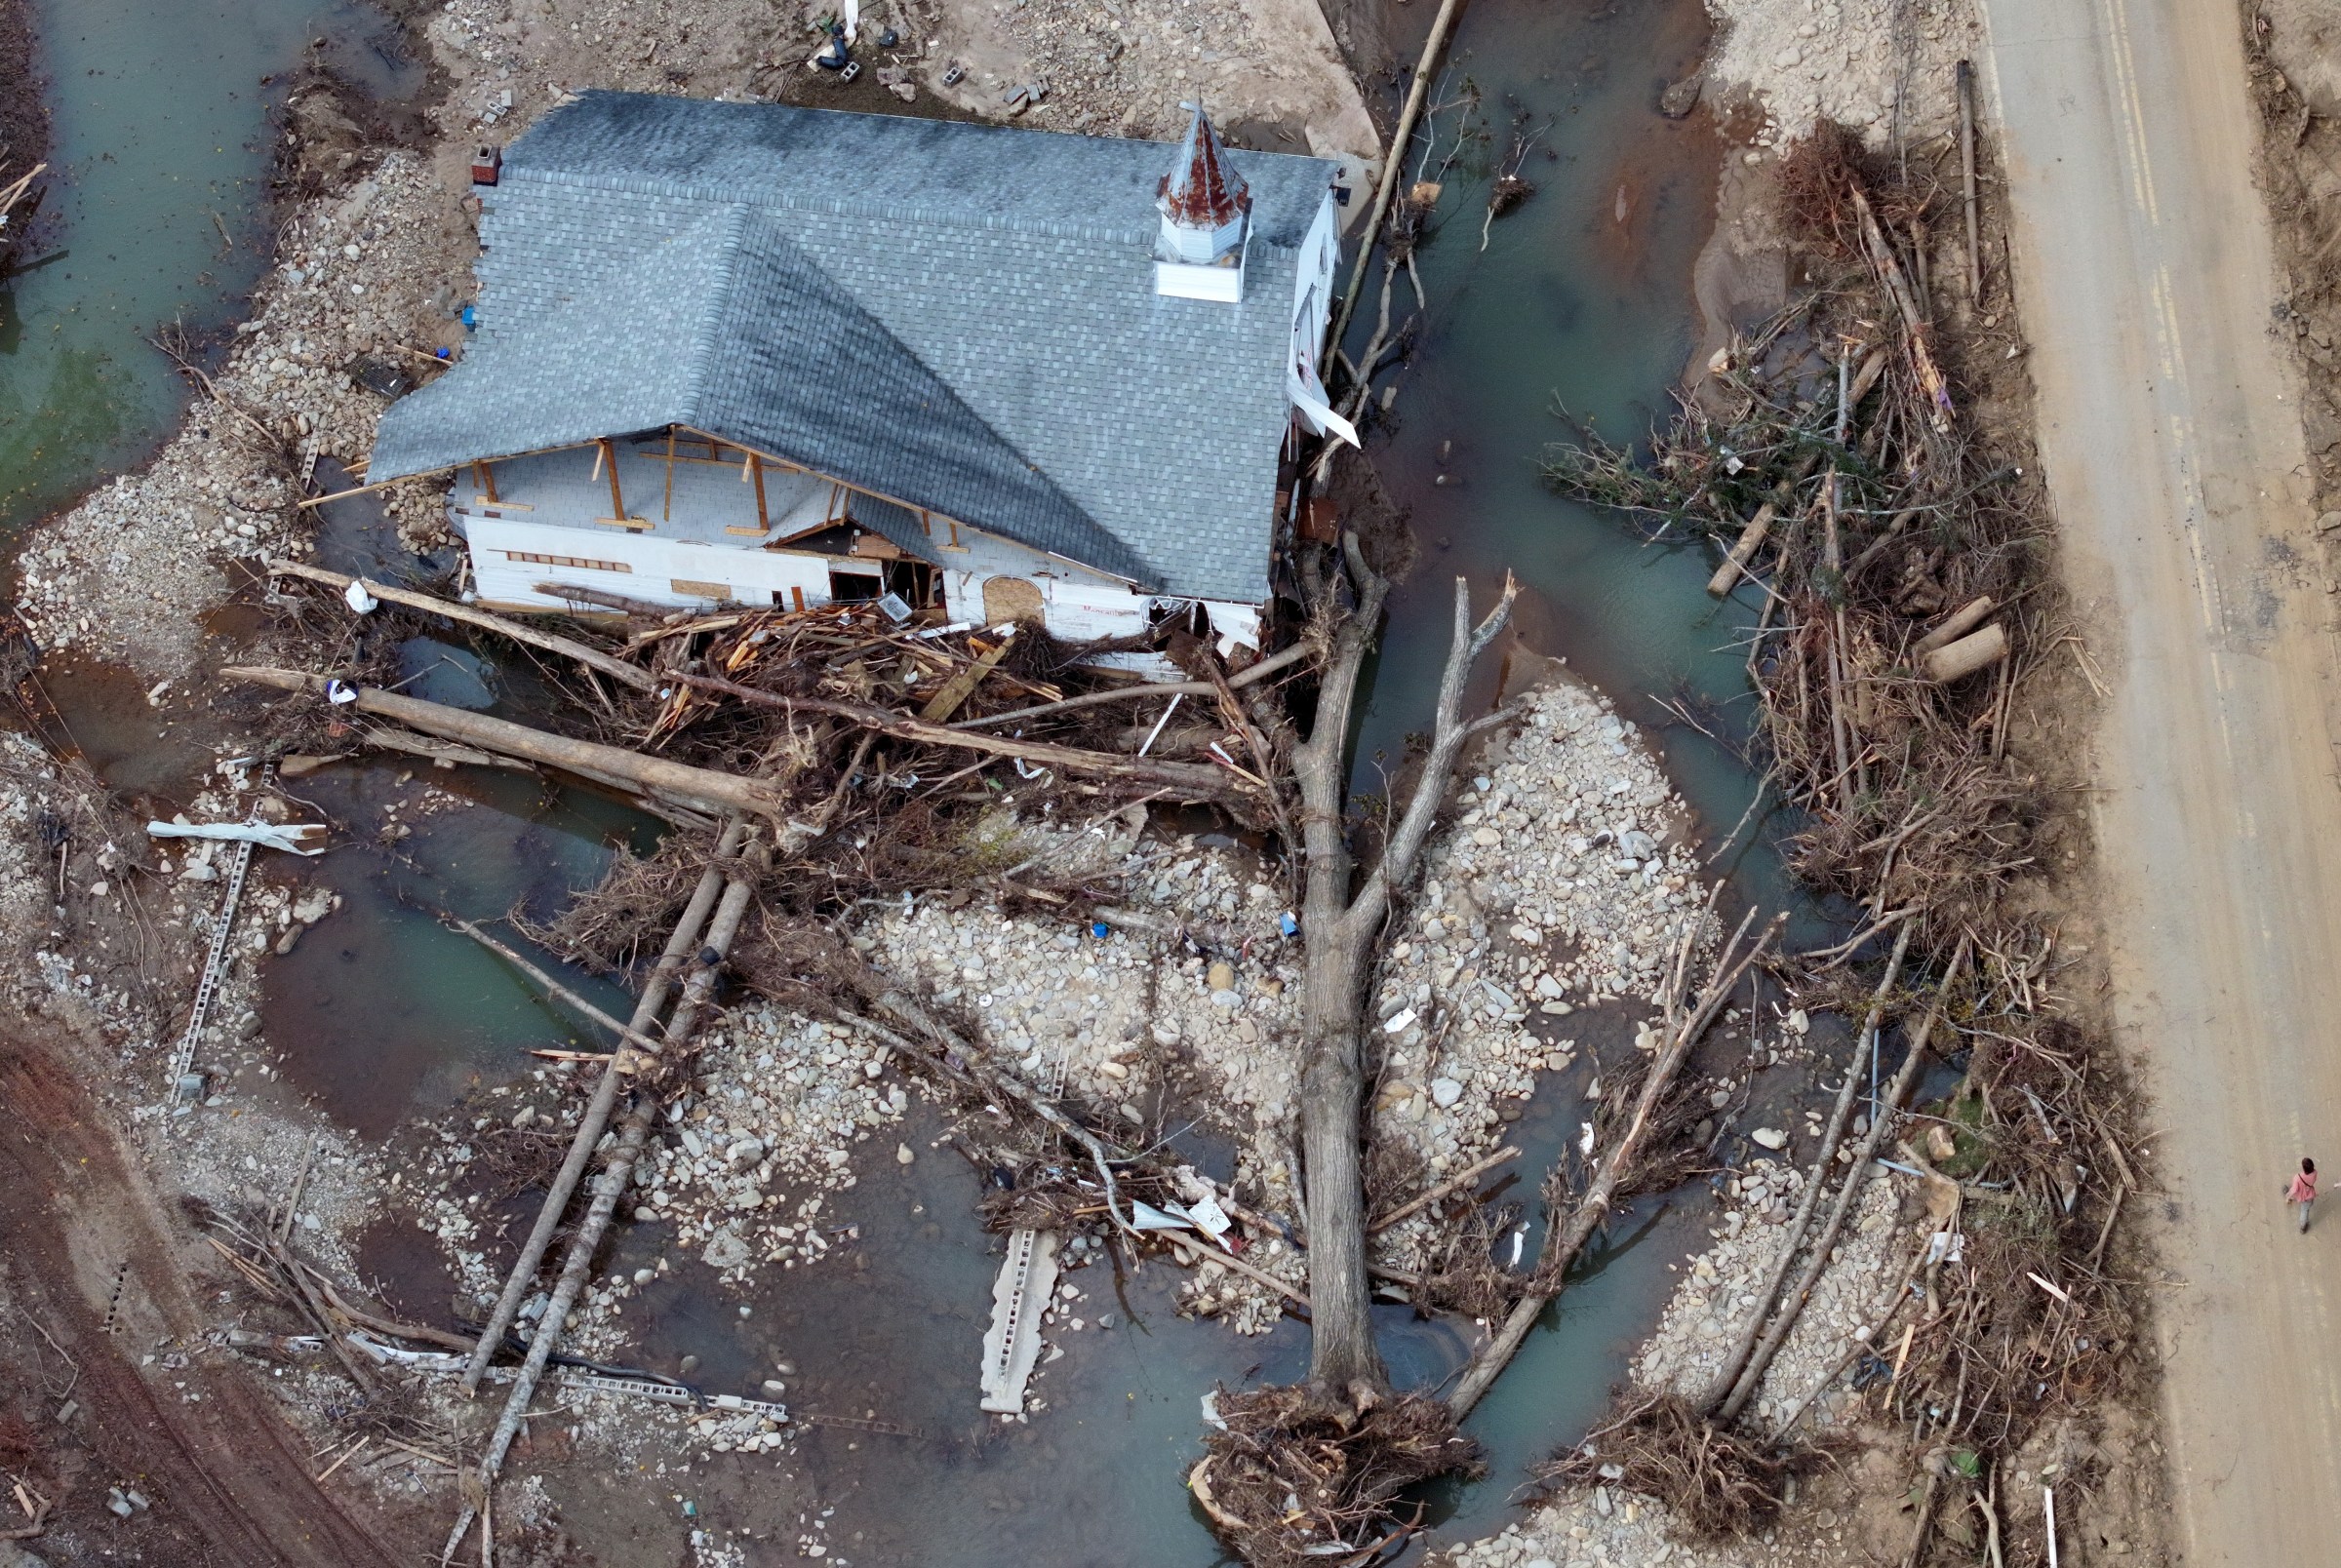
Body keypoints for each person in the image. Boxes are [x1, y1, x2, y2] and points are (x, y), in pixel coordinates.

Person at [2286, 1156, 2318, 1234]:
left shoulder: (2297, 1177)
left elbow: (2294, 1190)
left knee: (2303, 1211)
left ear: (2303, 1168)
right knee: (2305, 1209)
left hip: (2301, 1197)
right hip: (2310, 1196)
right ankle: (2303, 1227)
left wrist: (2288, 1197)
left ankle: (2303, 1226)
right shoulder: (2315, 1173)